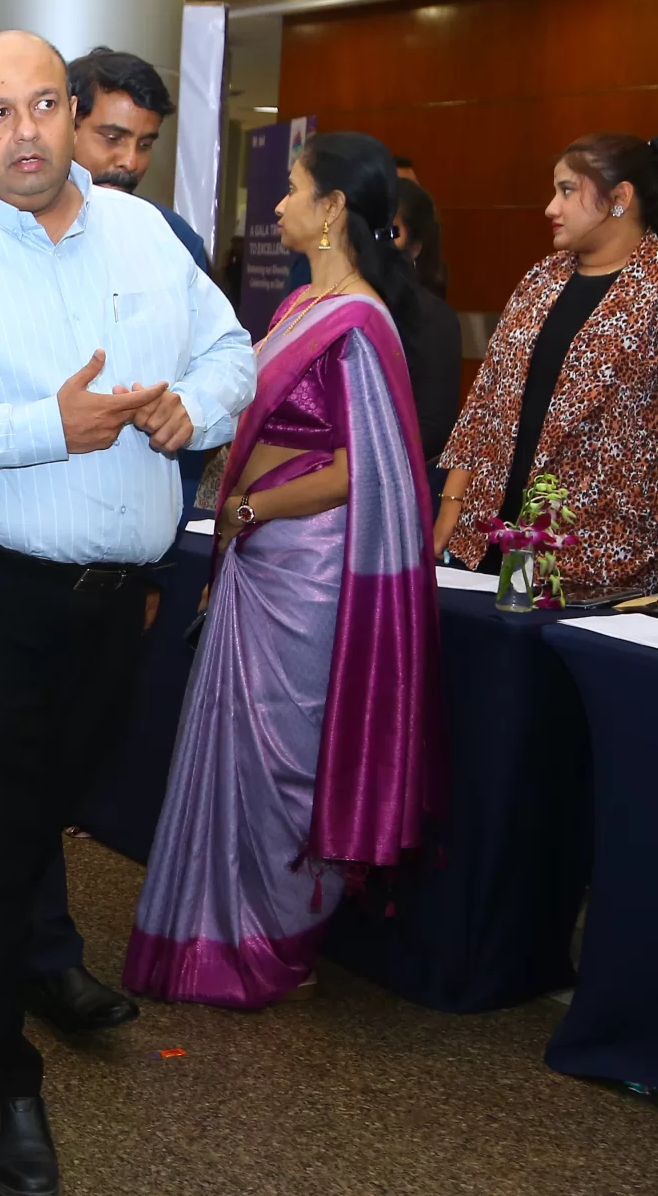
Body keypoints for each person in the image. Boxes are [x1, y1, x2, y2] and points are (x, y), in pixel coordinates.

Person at [0, 29, 252, 1196]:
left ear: (72, 112)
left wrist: (194, 407)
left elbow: (232, 352)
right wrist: (43, 427)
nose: (23, 133)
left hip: (108, 600)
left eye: (41, 106)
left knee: (29, 821)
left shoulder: (144, 235)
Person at [126, 132, 442, 1008]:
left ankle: (274, 940)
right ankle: (212, 929)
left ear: (333, 208)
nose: (277, 204)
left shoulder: (361, 323)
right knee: (235, 748)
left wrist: (252, 509)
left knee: (284, 759)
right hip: (260, 559)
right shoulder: (302, 304)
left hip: (310, 569)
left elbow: (359, 470)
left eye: (293, 188)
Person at [436, 136, 658, 597]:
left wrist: (652, 490)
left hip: (608, 559)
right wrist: (453, 502)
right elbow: (487, 398)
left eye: (567, 190)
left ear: (620, 198)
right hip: (495, 538)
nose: (551, 207)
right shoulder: (542, 277)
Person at [68, 45, 211, 273]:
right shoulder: (16, 229)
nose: (131, 162)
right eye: (113, 139)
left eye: (145, 145)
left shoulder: (175, 240)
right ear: (67, 128)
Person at [392, 177, 466, 467]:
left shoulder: (433, 317)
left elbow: (434, 429)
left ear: (415, 247)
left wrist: (357, 463)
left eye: (391, 231)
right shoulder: (345, 304)